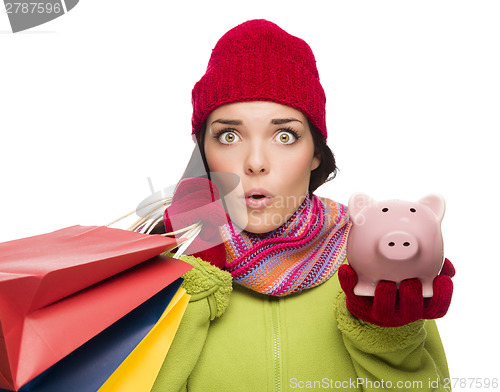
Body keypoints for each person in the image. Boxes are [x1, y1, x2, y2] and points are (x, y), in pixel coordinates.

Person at [151, 19, 454, 392]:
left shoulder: (372, 266)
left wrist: (389, 340)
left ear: (315, 153)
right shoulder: (166, 264)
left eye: (284, 135)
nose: (256, 161)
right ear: (204, 152)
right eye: (229, 135)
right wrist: (191, 285)